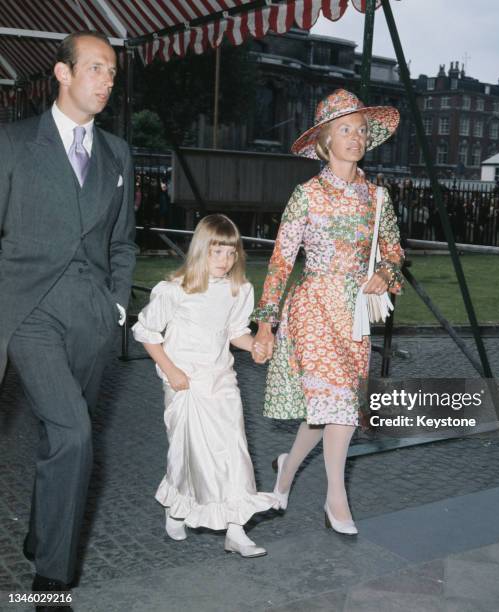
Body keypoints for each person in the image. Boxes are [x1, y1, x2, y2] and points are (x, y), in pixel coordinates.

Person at [0, 31, 137, 608]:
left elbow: (124, 243)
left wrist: (117, 307)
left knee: (63, 439)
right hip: (28, 308)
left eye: (111, 73)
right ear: (62, 73)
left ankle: (41, 533)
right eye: (96, 69)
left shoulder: (117, 155)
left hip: (92, 316)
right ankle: (53, 582)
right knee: (75, 431)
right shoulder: (11, 143)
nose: (107, 81)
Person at [252, 89, 404, 535]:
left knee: (326, 409)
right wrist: (266, 324)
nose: (355, 137)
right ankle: (336, 497)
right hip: (313, 306)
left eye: (360, 130)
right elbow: (281, 260)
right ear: (325, 140)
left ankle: (286, 469)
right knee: (338, 404)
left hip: (355, 313)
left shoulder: (378, 198)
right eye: (345, 130)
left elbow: (394, 254)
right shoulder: (306, 195)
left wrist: (384, 274)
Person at [132, 214, 279, 558]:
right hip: (185, 383)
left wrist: (254, 345)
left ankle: (236, 530)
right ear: (200, 251)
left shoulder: (238, 289)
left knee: (233, 450)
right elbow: (146, 334)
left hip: (221, 380)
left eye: (231, 253)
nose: (225, 261)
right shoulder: (174, 291)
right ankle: (176, 505)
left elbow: (234, 332)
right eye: (217, 253)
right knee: (190, 453)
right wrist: (172, 371)